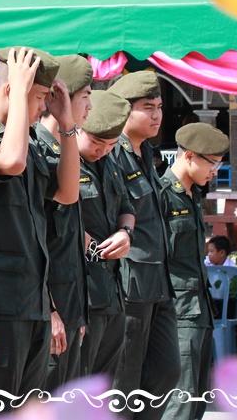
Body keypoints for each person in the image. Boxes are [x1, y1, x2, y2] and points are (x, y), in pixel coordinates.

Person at [0, 47, 79, 407]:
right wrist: (23, 97)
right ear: (12, 90)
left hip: (31, 306)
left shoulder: (31, 144)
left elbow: (68, 193)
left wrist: (67, 126)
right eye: (39, 98)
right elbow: (10, 161)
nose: (43, 108)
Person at [107, 71, 180, 420]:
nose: (156, 115)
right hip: (130, 282)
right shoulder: (113, 154)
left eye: (160, 107)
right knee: (125, 379)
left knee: (166, 371)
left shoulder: (148, 153)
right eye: (147, 107)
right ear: (125, 110)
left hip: (159, 282)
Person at [160, 123, 230, 420]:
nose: (215, 171)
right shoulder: (162, 194)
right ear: (189, 155)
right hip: (177, 313)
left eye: (219, 164)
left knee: (197, 399)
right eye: (212, 163)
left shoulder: (193, 195)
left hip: (199, 310)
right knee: (181, 399)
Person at [35, 54, 93, 390]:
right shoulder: (38, 151)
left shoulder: (65, 150)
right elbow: (34, 241)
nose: (90, 107)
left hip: (69, 305)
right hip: (47, 309)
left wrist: (76, 313)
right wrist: (51, 309)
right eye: (85, 96)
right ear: (60, 99)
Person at [73, 91, 135, 380]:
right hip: (80, 291)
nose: (103, 151)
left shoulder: (111, 163)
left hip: (111, 288)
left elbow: (126, 207)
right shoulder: (62, 160)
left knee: (104, 383)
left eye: (111, 145)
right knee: (78, 380)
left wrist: (126, 232)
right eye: (97, 142)